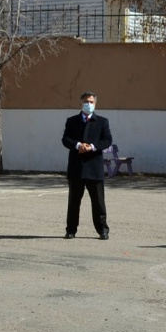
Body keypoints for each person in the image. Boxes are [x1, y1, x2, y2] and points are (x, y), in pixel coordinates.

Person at [62, 92, 112, 239]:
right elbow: (65, 139)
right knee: (74, 202)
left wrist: (92, 147)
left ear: (95, 104)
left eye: (91, 102)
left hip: (94, 168)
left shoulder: (102, 121)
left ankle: (102, 229)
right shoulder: (72, 121)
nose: (88, 104)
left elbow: (107, 140)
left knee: (98, 202)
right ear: (81, 103)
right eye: (86, 102)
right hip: (76, 168)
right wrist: (78, 145)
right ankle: (71, 230)